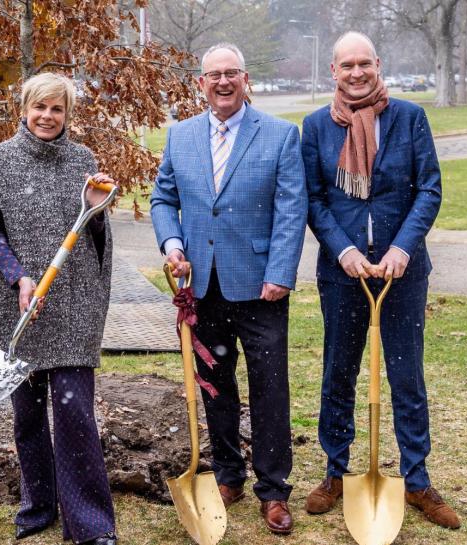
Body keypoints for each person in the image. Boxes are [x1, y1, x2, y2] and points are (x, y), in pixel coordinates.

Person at [300, 31, 460, 530]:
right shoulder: (316, 126)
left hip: (400, 273)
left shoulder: (409, 118)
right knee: (339, 371)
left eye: (363, 63)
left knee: (406, 374)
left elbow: (429, 189)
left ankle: (417, 480)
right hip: (343, 271)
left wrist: (401, 249)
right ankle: (334, 472)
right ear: (334, 71)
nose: (355, 72)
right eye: (346, 65)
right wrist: (343, 249)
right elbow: (314, 199)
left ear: (377, 64)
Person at [150, 43, 307, 535]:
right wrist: (172, 244)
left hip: (261, 288)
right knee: (214, 386)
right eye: (213, 75)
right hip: (202, 287)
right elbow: (163, 198)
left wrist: (281, 272)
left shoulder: (280, 135)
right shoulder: (181, 136)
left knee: (268, 389)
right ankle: (228, 474)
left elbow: (291, 210)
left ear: (246, 79)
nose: (222, 82)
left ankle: (274, 489)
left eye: (231, 74)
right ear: (200, 83)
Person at [0, 72, 117, 545]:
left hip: (73, 304)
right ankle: (38, 506)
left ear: (68, 115)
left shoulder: (83, 161)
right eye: (40, 107)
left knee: (76, 418)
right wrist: (19, 277)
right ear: (24, 109)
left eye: (57, 109)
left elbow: (98, 238)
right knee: (28, 416)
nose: (48, 117)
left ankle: (90, 525)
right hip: (22, 308)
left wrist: (96, 210)